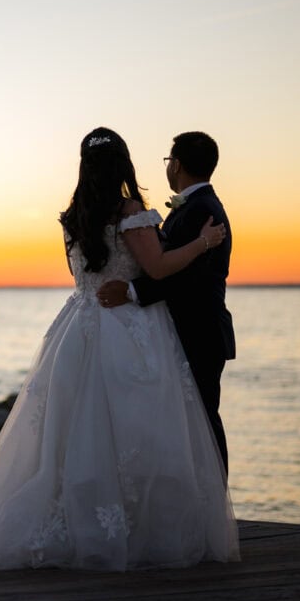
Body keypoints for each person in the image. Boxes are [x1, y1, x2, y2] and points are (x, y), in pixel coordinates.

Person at [0, 128, 239, 571]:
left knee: (75, 432)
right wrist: (202, 243)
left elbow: (84, 276)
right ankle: (139, 525)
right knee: (140, 429)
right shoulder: (131, 212)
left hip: (79, 326)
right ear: (124, 165)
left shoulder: (73, 216)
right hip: (130, 329)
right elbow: (158, 266)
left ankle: (82, 518)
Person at [97, 131, 234, 476]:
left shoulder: (202, 210)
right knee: (192, 423)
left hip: (199, 331)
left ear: (177, 164)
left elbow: (190, 277)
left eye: (168, 160)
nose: (168, 167)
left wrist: (131, 291)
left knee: (204, 422)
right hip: (190, 330)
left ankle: (215, 501)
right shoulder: (195, 206)